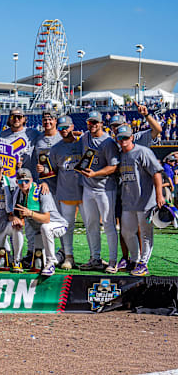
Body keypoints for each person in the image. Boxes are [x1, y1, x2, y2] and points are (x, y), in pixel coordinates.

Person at [115, 124, 165, 276]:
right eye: (120, 138)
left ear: (132, 137)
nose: (123, 140)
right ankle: (134, 260)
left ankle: (143, 263)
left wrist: (159, 194)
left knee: (145, 233)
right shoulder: (120, 155)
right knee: (126, 232)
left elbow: (156, 173)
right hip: (128, 201)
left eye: (126, 137)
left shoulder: (143, 151)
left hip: (146, 201)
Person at [78, 111, 120, 273]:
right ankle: (95, 258)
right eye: (90, 122)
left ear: (102, 123)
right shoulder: (84, 137)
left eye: (96, 122)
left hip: (105, 188)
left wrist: (95, 173)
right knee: (91, 224)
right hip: (88, 188)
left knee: (109, 225)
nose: (93, 125)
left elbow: (113, 167)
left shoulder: (108, 142)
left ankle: (112, 261)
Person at [41, 115, 83, 270]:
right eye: (61, 128)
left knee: (92, 226)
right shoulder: (56, 148)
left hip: (85, 190)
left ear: (72, 127)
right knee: (67, 226)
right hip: (65, 191)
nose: (64, 130)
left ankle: (95, 258)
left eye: (66, 127)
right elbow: (50, 170)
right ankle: (68, 256)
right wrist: (44, 175)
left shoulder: (83, 142)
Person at [13, 169, 68, 276]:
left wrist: (30, 213)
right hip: (38, 230)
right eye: (20, 181)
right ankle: (60, 256)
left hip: (57, 224)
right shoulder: (18, 193)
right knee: (38, 261)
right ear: (16, 182)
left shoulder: (41, 191)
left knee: (46, 227)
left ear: (31, 180)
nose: (23, 184)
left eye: (26, 181)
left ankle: (51, 263)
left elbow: (47, 219)